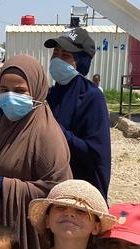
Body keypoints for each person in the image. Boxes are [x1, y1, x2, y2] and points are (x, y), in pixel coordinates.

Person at [0, 54, 72, 249]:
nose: (10, 97)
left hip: (27, 237)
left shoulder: (46, 134)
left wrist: (2, 186)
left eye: (19, 91)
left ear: (36, 90)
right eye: (3, 90)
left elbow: (57, 190)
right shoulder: (5, 125)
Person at [44, 28, 112, 199]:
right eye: (55, 53)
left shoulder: (91, 97)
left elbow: (94, 154)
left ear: (80, 62)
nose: (57, 59)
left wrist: (54, 129)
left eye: (66, 55)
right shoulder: (50, 94)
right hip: (49, 186)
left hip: (78, 190)